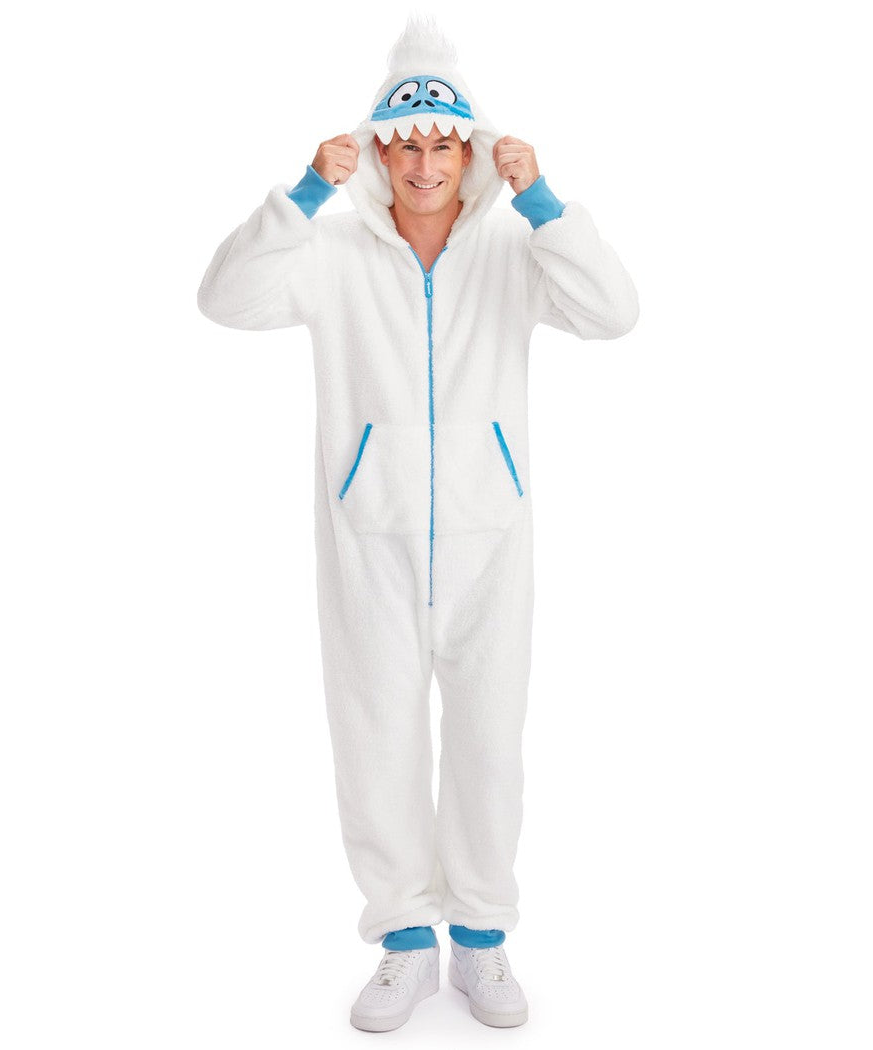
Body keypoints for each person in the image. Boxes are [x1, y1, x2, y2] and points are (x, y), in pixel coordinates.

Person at [197, 13, 638, 1033]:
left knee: (489, 743)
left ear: (470, 152)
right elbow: (224, 298)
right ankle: (403, 938)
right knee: (375, 739)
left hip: (492, 539)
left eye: (445, 145)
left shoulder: (513, 248)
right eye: (406, 147)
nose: (426, 165)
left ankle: (480, 937)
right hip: (368, 539)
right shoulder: (333, 251)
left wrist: (546, 203)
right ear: (379, 153)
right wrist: (301, 196)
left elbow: (615, 314)